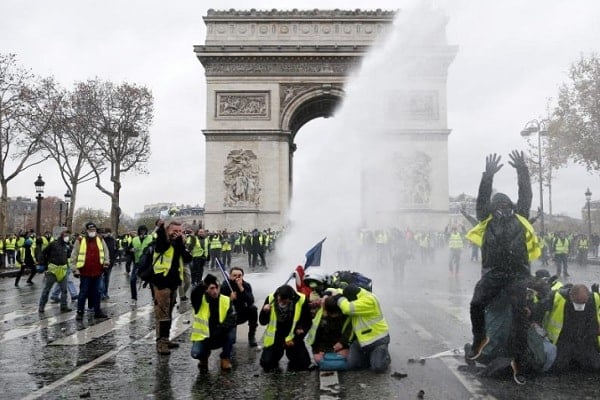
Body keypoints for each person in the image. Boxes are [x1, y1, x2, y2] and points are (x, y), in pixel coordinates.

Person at [464, 151, 540, 385]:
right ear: (493, 206)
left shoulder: (521, 216)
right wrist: (487, 175)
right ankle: (480, 340)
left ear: (512, 205)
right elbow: (482, 197)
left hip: (517, 274)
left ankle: (519, 359)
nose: (503, 206)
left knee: (519, 319)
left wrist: (522, 170)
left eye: (507, 203)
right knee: (476, 304)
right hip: (495, 272)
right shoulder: (486, 218)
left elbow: (525, 194)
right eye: (500, 203)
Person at [149, 219, 192, 355]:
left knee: (168, 312)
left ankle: (166, 339)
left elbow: (187, 258)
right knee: (162, 314)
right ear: (168, 231)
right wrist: (161, 227)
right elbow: (162, 240)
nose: (178, 234)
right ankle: (161, 343)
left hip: (174, 282)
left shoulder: (178, 244)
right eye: (175, 231)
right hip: (161, 282)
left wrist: (180, 242)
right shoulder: (162, 242)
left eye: (180, 231)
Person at [535, 283, 600, 372]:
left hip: (585, 339)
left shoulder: (594, 298)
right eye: (577, 302)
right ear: (571, 296)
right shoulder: (557, 297)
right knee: (557, 367)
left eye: (584, 302)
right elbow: (538, 309)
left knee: (594, 366)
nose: (580, 306)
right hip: (563, 339)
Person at [334, 284, 391, 373]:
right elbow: (338, 290)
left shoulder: (369, 300)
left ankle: (384, 356)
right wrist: (329, 293)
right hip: (362, 341)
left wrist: (339, 298)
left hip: (377, 340)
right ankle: (371, 356)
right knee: (352, 365)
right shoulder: (358, 293)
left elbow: (347, 308)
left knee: (378, 368)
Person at [259, 284, 312, 372]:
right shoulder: (271, 298)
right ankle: (276, 354)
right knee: (267, 364)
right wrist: (265, 312)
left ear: (291, 298)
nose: (282, 303)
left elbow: (307, 322)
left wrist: (299, 333)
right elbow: (262, 321)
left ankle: (293, 355)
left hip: (293, 336)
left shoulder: (301, 300)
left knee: (303, 364)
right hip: (276, 336)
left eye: (285, 301)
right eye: (280, 300)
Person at [190, 274, 236, 372]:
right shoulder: (200, 301)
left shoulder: (226, 300)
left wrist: (220, 329)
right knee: (196, 353)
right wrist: (203, 283)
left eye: (216, 288)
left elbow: (232, 319)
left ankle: (225, 358)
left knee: (231, 334)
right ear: (206, 289)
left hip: (220, 334)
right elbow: (194, 293)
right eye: (211, 288)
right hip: (204, 337)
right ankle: (203, 359)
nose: (214, 291)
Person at [72, 222, 110, 320]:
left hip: (98, 271)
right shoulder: (80, 240)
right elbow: (74, 256)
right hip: (85, 272)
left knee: (97, 292)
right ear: (86, 230)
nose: (92, 232)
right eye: (90, 230)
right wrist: (75, 269)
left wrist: (106, 262)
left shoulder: (100, 239)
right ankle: (80, 312)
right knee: (83, 292)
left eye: (94, 230)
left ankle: (97, 311)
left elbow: (105, 252)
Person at [306, 295, 352, 370]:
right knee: (318, 359)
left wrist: (342, 343)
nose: (335, 316)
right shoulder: (320, 318)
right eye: (332, 314)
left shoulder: (346, 314)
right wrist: (320, 350)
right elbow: (316, 339)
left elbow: (349, 331)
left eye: (336, 314)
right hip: (323, 345)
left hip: (340, 344)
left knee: (346, 358)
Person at [219, 266, 259, 347]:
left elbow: (251, 301)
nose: (237, 278)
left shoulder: (246, 285)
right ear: (230, 276)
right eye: (234, 275)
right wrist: (229, 299)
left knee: (253, 309)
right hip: (229, 316)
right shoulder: (225, 286)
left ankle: (251, 336)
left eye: (239, 275)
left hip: (241, 313)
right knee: (231, 341)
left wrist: (241, 288)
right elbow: (219, 304)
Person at [38, 230, 72, 313]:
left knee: (64, 290)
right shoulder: (53, 244)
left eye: (68, 236)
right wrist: (43, 264)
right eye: (66, 235)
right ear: (62, 236)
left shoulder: (67, 246)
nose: (67, 237)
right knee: (47, 289)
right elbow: (43, 253)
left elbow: (68, 256)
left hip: (62, 270)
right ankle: (41, 306)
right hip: (52, 270)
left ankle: (64, 306)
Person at [130, 225, 154, 307]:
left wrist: (151, 248)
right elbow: (128, 248)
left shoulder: (150, 238)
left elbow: (155, 245)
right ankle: (134, 298)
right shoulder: (134, 239)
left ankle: (154, 298)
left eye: (144, 230)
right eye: (141, 230)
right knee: (132, 280)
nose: (142, 232)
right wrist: (131, 250)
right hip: (137, 263)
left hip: (148, 263)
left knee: (151, 281)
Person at [99, 228, 117, 300]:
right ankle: (101, 293)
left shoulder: (113, 240)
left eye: (108, 232)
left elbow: (116, 250)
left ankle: (105, 293)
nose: (106, 234)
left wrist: (113, 259)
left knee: (106, 279)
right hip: (102, 262)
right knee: (101, 278)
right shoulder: (101, 240)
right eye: (105, 232)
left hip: (110, 262)